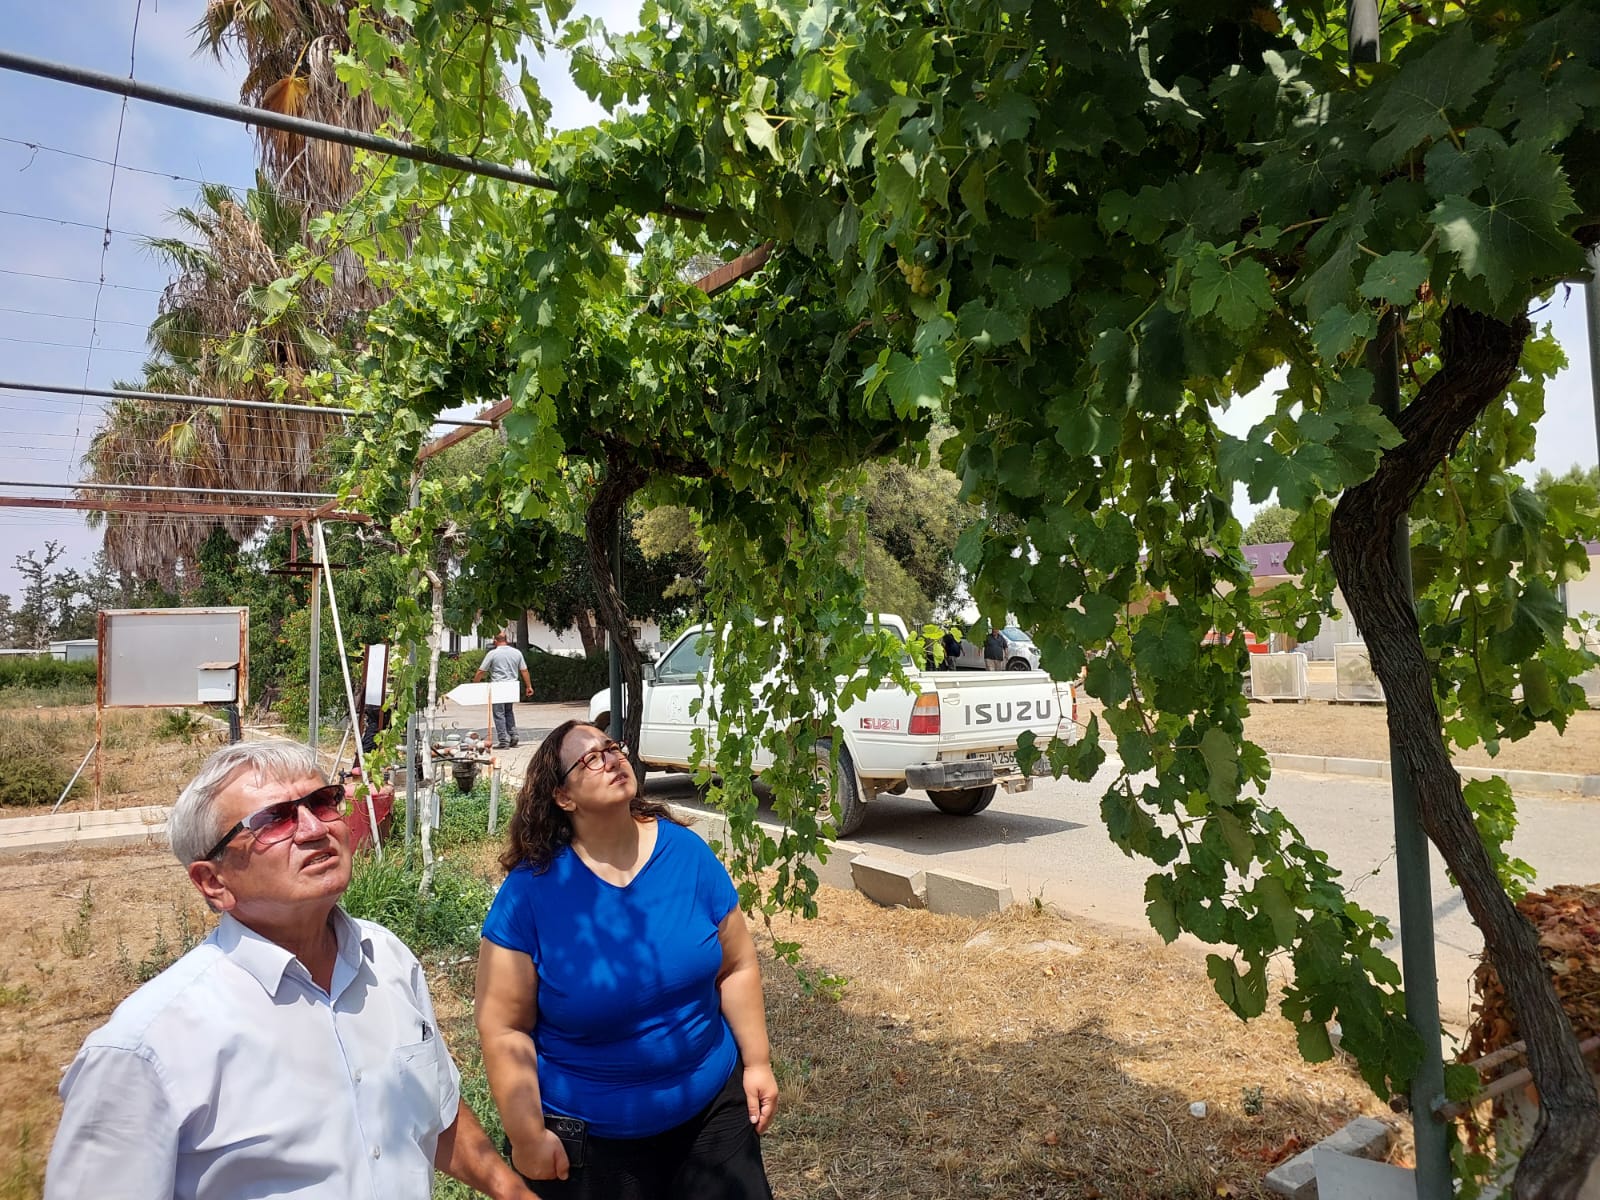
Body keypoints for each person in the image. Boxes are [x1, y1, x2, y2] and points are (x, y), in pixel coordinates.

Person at [45, 741, 537, 1200]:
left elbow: (435, 1110)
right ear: (213, 882)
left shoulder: (386, 959)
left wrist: (512, 1191)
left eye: (322, 803)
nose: (314, 829)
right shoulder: (145, 1048)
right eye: (274, 819)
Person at [476, 720, 778, 1200]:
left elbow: (736, 966)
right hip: (595, 1146)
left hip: (712, 1116)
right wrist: (527, 1134)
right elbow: (503, 1026)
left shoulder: (687, 855)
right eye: (590, 759)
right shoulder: (529, 894)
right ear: (563, 797)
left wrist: (757, 1062)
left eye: (612, 747)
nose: (612, 759)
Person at [475, 631, 534, 748]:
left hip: (498, 686)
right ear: (506, 640)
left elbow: (481, 671)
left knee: (499, 714)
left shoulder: (493, 654)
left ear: (495, 641)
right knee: (508, 712)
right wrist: (529, 686)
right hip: (512, 686)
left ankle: (503, 740)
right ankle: (513, 735)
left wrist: (475, 684)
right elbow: (524, 670)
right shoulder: (517, 653)